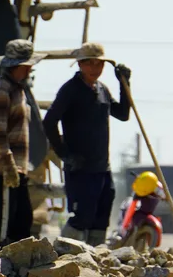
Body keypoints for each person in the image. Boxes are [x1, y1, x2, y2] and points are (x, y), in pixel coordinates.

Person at [42, 42, 131, 245]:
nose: (94, 68)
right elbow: (49, 122)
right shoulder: (70, 90)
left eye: (98, 64)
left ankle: (96, 258)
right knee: (82, 216)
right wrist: (64, 153)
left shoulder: (102, 90)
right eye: (89, 63)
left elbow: (123, 114)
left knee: (101, 216)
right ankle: (63, 255)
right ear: (80, 65)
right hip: (80, 167)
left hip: (102, 166)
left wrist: (124, 84)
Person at [0, 39, 46, 245]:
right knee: (3, 221)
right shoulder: (1, 89)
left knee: (22, 219)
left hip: (15, 167)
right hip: (3, 167)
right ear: (17, 66)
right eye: (27, 66)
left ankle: (15, 267)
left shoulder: (18, 89)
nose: (30, 70)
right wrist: (8, 163)